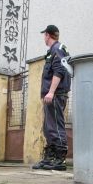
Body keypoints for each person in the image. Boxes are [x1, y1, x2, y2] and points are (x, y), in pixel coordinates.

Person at [32, 24, 71, 171]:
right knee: (49, 127)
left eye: (44, 35)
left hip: (55, 94)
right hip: (51, 95)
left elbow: (59, 70)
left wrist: (51, 92)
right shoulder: (52, 51)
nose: (44, 37)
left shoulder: (58, 49)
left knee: (55, 126)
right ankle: (50, 158)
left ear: (47, 35)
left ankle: (59, 159)